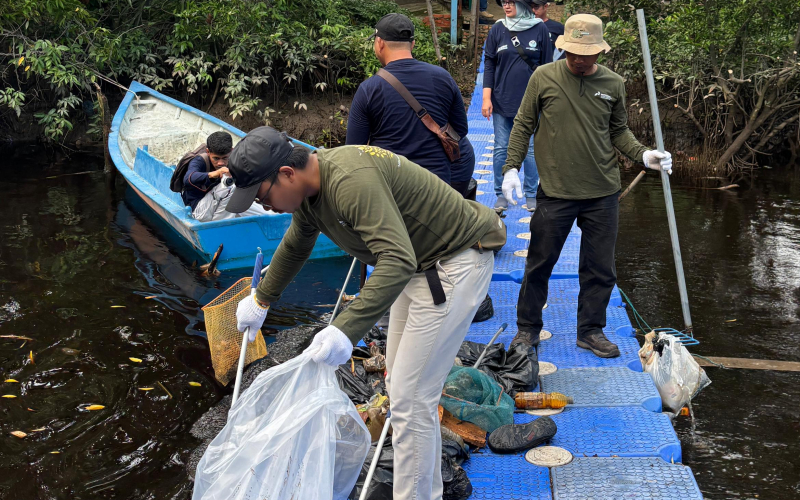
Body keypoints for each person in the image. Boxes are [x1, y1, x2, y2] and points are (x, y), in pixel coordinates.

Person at [229, 127, 505, 500]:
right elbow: (296, 245)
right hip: (418, 267)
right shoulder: (311, 191)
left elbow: (396, 258)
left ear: (286, 174)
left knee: (410, 400)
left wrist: (345, 329)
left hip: (453, 262)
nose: (266, 206)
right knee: (401, 389)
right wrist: (262, 299)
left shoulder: (349, 182)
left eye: (263, 197)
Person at [501, 14, 673, 358]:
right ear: (563, 47)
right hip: (555, 191)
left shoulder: (613, 84)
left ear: (600, 52)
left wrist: (644, 156)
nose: (579, 59)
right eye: (573, 52)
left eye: (587, 53)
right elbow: (522, 125)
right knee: (539, 262)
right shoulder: (544, 77)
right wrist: (511, 168)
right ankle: (528, 329)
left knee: (600, 267)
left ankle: (591, 330)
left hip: (603, 192)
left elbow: (618, 131)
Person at [347, 13, 469, 189]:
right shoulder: (443, 77)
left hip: (393, 189)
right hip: (439, 189)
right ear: (412, 44)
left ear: (379, 43)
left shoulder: (369, 89)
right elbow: (460, 130)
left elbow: (353, 151)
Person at [483, 0, 551, 212]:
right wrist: (487, 98)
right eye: (504, 2)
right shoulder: (498, 28)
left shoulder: (539, 28)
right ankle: (500, 193)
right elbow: (489, 63)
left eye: (512, 2)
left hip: (531, 102)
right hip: (502, 100)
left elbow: (547, 66)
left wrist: (547, 101)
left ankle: (531, 193)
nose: (507, 5)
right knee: (501, 148)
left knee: (530, 150)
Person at [181, 131, 268, 221]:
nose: (221, 163)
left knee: (269, 215)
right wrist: (214, 174)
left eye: (225, 158)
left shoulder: (236, 158)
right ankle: (219, 226)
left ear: (231, 150)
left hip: (221, 205)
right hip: (199, 211)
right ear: (208, 152)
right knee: (230, 186)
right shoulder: (200, 160)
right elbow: (188, 178)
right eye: (216, 158)